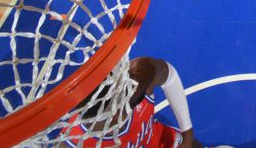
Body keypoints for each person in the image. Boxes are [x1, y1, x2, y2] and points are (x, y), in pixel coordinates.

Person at [64, 56, 202, 147]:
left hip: (162, 140)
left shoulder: (136, 80)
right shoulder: (74, 142)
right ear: (114, 115)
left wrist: (187, 133)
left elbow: (169, 77)